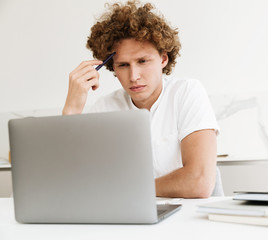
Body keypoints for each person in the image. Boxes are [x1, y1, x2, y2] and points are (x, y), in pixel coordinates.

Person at [62, 0, 220, 198]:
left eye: (142, 61)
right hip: (130, 215)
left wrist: (126, 189)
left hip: (188, 216)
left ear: (163, 59)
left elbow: (199, 181)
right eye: (123, 65)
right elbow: (70, 181)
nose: (134, 76)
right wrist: (72, 108)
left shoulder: (186, 92)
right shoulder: (105, 107)